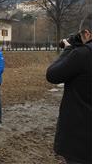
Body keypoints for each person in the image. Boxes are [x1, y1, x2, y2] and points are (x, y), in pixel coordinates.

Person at [46, 29, 92, 164]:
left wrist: (68, 50)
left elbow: (52, 75)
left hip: (80, 134)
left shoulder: (83, 54)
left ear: (88, 33)